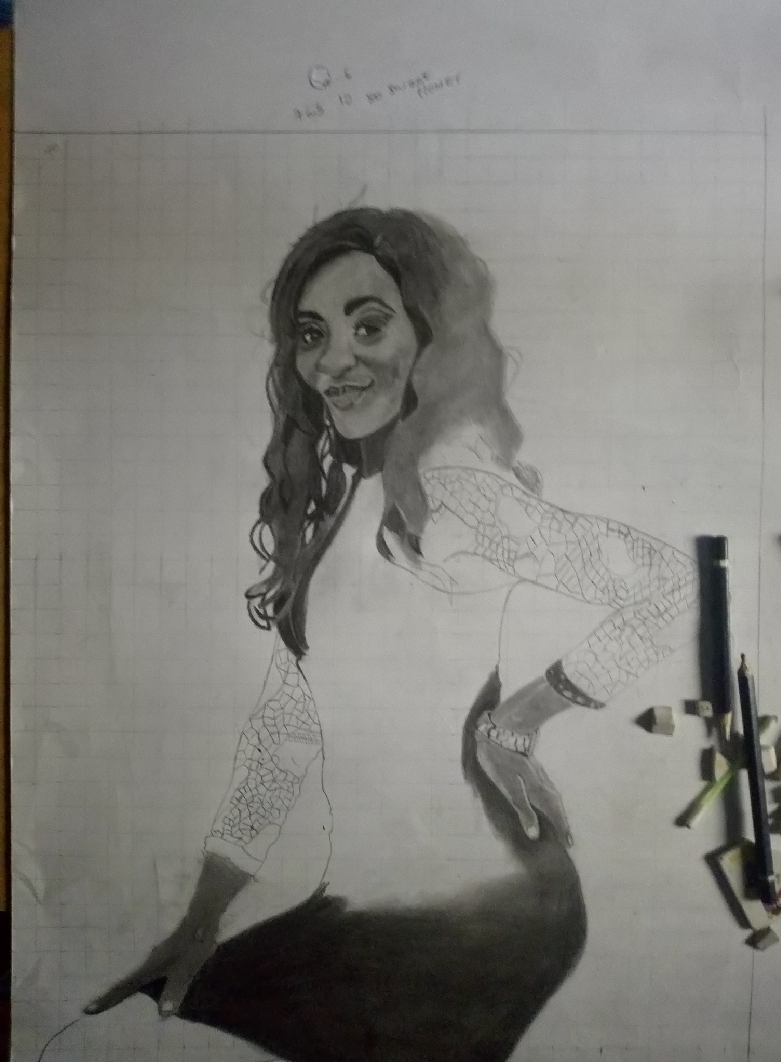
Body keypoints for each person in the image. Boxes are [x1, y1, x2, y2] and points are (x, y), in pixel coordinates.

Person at [84, 208, 698, 1062]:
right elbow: (286, 728)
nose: (333, 359)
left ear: (431, 336)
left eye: (368, 326)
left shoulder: (451, 486)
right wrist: (200, 920)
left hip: (483, 913)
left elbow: (669, 583)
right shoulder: (350, 496)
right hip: (367, 907)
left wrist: (518, 720)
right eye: (312, 334)